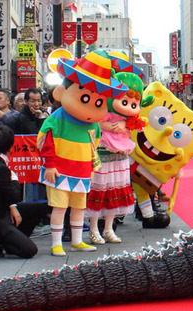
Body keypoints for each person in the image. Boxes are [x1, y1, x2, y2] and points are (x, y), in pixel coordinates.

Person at [37, 50, 128, 256]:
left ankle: (77, 240)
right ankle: (56, 243)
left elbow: (93, 148)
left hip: (81, 171)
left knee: (79, 207)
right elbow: (46, 141)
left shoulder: (93, 125)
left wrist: (92, 168)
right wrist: (50, 164)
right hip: (59, 169)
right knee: (59, 207)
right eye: (85, 97)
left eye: (98, 102)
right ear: (61, 93)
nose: (92, 106)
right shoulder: (58, 117)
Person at [85, 72, 142, 244]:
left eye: (133, 103)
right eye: (125, 101)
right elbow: (92, 120)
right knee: (100, 188)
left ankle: (108, 228)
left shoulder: (130, 118)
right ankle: (94, 228)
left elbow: (138, 125)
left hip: (120, 156)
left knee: (115, 190)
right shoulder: (101, 108)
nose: (128, 106)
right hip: (102, 153)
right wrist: (106, 125)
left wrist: (126, 125)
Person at [0, 125, 47, 258]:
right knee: (30, 251)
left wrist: (12, 206)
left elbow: (8, 196)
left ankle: (13, 239)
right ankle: (5, 242)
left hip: (1, 209)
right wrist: (14, 179)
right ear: (10, 145)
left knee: (39, 208)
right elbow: (14, 195)